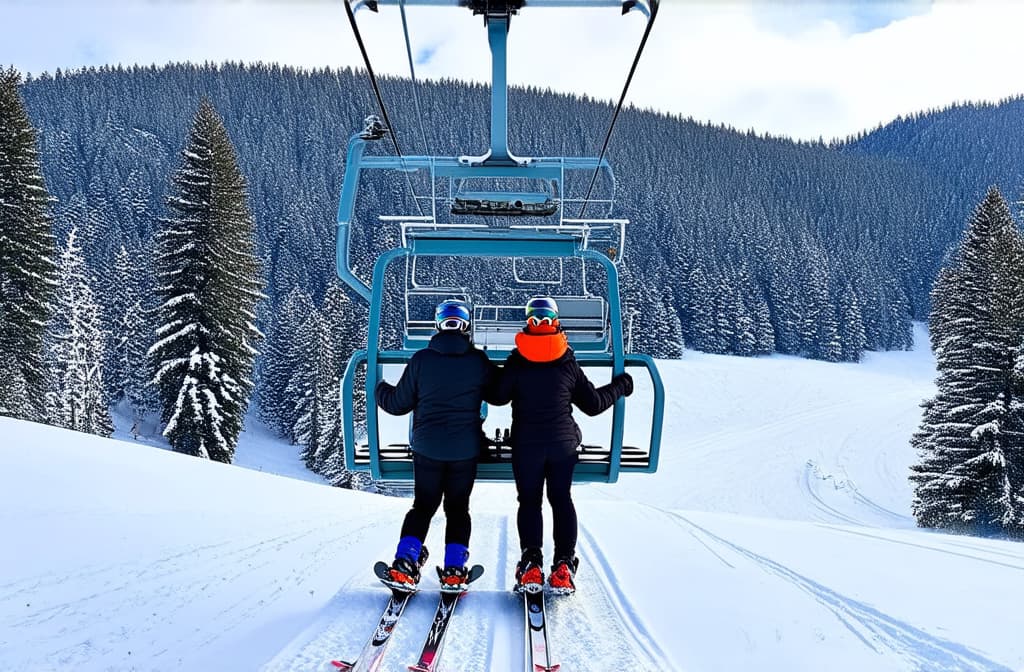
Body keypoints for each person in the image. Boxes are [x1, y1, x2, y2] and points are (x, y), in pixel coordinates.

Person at [493, 297, 633, 594]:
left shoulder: (518, 360)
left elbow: (498, 396)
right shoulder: (566, 360)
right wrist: (620, 386)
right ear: (556, 322)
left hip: (526, 445)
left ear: (528, 323)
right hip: (562, 445)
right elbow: (593, 404)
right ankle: (563, 566)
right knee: (561, 498)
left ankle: (531, 564)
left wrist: (485, 370)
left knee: (529, 502)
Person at [375, 299, 498, 591]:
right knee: (457, 509)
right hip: (464, 450)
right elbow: (499, 394)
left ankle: (405, 563)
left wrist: (378, 388)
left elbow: (397, 404)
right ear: (466, 327)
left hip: (427, 448)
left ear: (438, 325)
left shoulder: (421, 360)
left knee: (423, 506)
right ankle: (454, 569)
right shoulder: (477, 361)